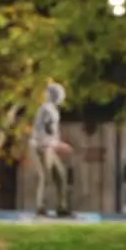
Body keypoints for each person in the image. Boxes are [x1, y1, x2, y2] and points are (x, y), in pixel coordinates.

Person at [29, 81, 73, 217]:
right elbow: (46, 133)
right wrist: (58, 145)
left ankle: (62, 207)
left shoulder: (50, 109)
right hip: (42, 147)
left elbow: (50, 133)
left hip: (47, 147)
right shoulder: (48, 110)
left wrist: (58, 144)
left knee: (60, 174)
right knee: (45, 176)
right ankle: (41, 207)